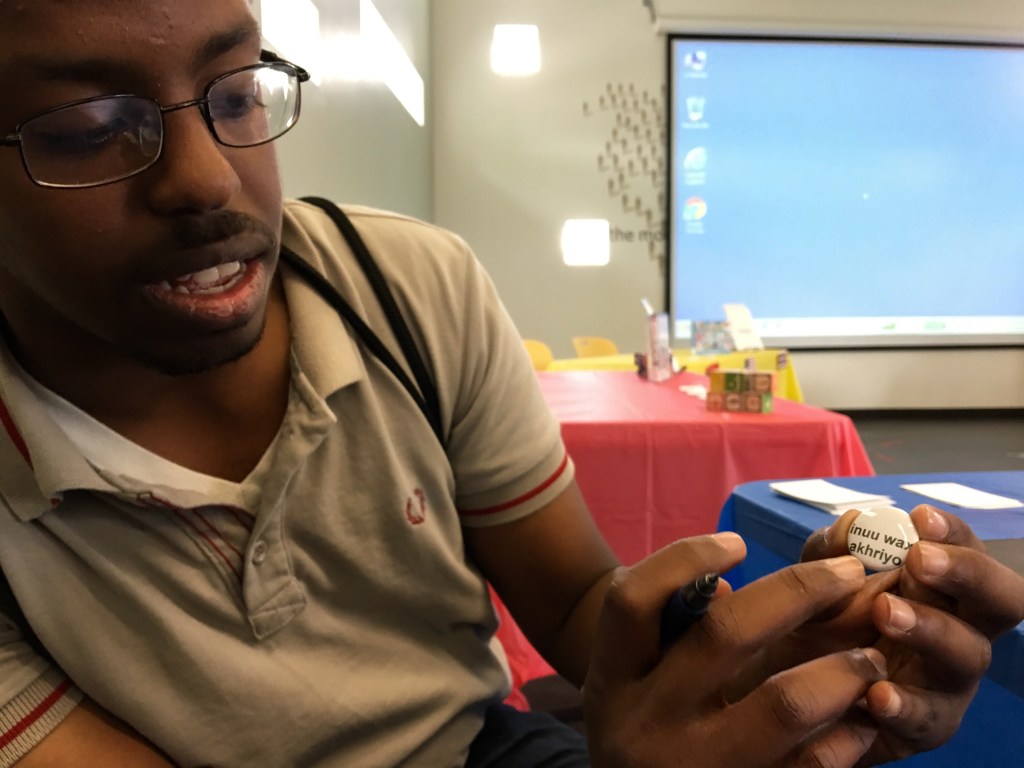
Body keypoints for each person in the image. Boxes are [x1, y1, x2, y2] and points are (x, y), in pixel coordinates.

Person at [0, 2, 1021, 766]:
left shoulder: (403, 286)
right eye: (86, 127)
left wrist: (779, 661)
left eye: (236, 95)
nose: (207, 176)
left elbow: (581, 604)